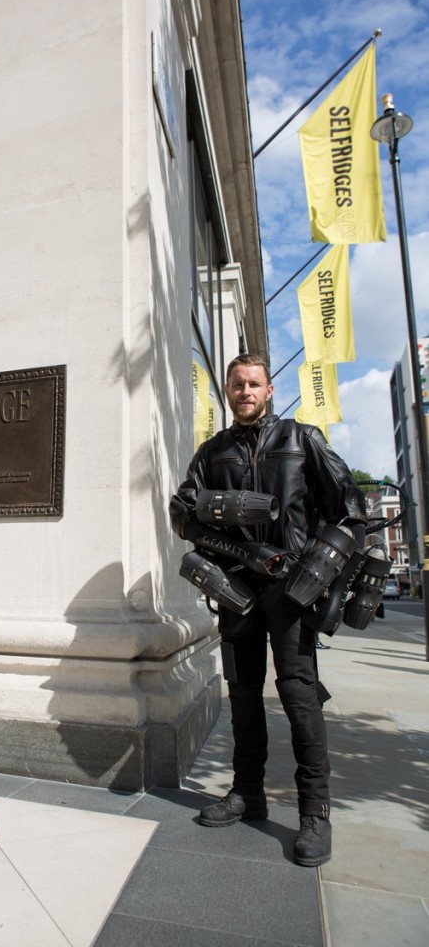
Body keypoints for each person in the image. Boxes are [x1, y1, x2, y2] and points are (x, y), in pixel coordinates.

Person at [169, 354, 366, 866]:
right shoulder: (213, 451)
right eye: (237, 384)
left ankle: (314, 812)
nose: (245, 391)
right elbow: (182, 513)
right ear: (228, 392)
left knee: (300, 698)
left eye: (253, 383)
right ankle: (247, 792)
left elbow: (349, 507)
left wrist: (324, 571)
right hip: (238, 590)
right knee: (243, 695)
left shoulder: (302, 440)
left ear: (269, 389)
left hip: (293, 589)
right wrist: (236, 553)